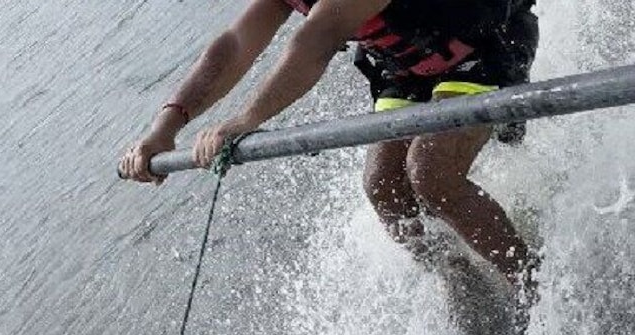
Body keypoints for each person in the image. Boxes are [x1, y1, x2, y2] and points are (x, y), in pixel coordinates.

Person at [118, 0, 540, 296]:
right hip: (408, 67)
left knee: (429, 172)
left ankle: (530, 285)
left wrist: (247, 119)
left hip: (485, 43)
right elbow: (234, 44)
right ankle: (459, 282)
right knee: (383, 188)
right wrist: (166, 126)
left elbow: (315, 40)